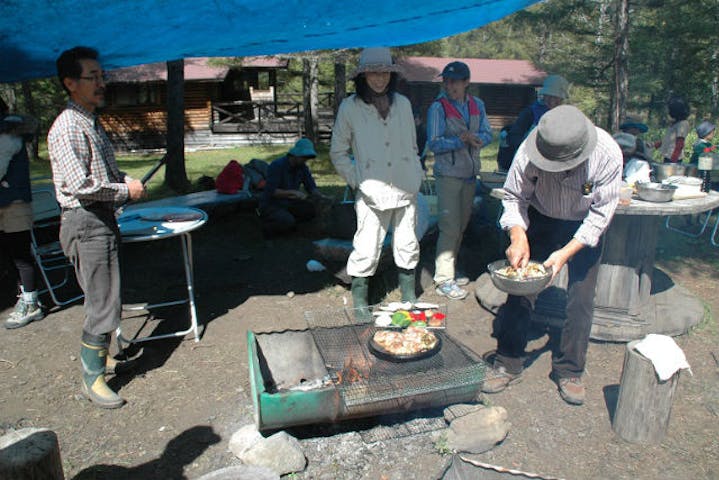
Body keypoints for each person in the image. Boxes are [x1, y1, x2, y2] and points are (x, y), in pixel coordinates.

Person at [482, 105, 622, 405]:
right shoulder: (531, 148)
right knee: (521, 286)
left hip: (583, 225)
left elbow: (601, 214)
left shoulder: (608, 154)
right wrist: (517, 234)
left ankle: (569, 370)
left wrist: (566, 252)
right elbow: (513, 196)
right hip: (541, 217)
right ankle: (508, 360)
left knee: (581, 298)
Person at [48, 46, 145, 409]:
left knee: (106, 297)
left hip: (99, 220)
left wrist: (124, 179)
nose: (102, 83)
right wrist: (125, 190)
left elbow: (102, 175)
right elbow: (82, 186)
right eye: (94, 77)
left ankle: (101, 357)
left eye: (102, 76)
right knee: (103, 303)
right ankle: (92, 379)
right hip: (85, 222)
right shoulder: (68, 126)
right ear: (70, 83)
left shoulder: (90, 121)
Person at [330, 47, 424, 312]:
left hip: (406, 186)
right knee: (366, 246)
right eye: (374, 72)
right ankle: (360, 302)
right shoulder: (350, 107)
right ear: (363, 75)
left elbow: (412, 145)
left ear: (391, 74)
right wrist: (357, 180)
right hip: (372, 191)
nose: (379, 78)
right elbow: (337, 151)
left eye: (384, 72)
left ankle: (408, 296)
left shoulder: (403, 104)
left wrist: (416, 173)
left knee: (407, 243)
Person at [426, 61, 493, 300]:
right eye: (446, 80)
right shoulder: (438, 107)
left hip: (469, 174)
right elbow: (433, 142)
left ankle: (450, 270)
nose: (449, 85)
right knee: (449, 227)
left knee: (461, 227)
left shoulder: (478, 105)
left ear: (467, 83)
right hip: (447, 175)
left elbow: (488, 133)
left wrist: (477, 138)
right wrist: (459, 141)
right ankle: (443, 279)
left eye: (455, 81)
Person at [0, 99, 44, 329]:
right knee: (11, 254)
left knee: (20, 255)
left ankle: (32, 303)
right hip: (5, 203)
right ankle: (24, 296)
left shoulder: (7, 136)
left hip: (14, 204)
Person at [259, 137, 328, 236]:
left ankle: (291, 224)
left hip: (289, 203)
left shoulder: (302, 167)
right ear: (295, 155)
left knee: (311, 211)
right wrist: (292, 193)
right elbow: (271, 192)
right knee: (287, 221)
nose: (305, 160)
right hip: (271, 204)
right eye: (304, 157)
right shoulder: (277, 166)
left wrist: (321, 197)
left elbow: (311, 187)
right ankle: (268, 227)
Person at [501, 75, 569, 171]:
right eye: (549, 97)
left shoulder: (564, 116)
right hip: (527, 164)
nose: (551, 101)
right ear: (544, 95)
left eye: (556, 98)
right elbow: (513, 137)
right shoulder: (530, 113)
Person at [656, 96, 690, 164]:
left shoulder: (683, 124)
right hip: (668, 155)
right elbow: (669, 139)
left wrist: (673, 160)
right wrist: (656, 145)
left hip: (674, 158)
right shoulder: (675, 123)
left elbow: (680, 143)